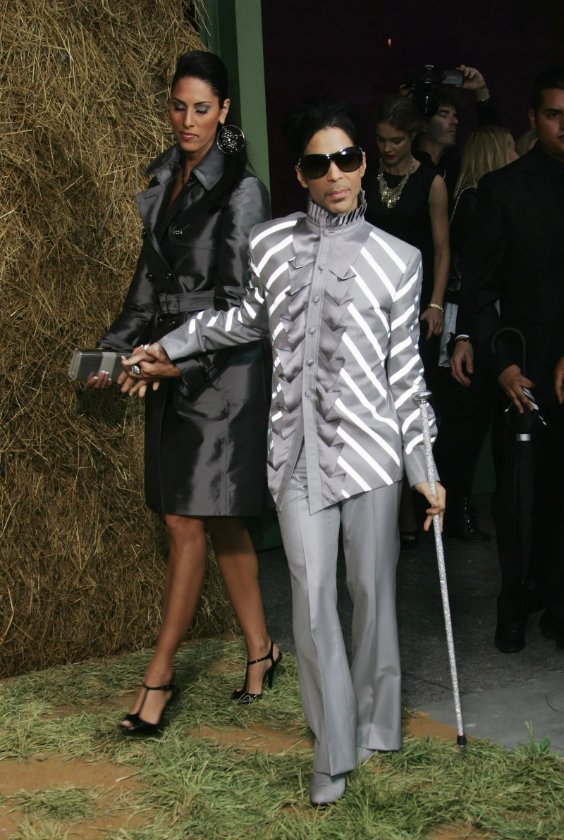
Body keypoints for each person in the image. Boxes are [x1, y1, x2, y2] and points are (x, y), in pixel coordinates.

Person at [122, 98, 445, 805]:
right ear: (300, 174)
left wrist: (423, 467)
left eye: (346, 159)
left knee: (372, 592)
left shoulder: (400, 260)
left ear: (362, 162)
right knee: (311, 596)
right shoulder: (268, 245)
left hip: (372, 456)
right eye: (318, 164)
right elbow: (243, 318)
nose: (335, 175)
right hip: (294, 456)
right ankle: (333, 750)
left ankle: (378, 720)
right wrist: (170, 345)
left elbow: (406, 376)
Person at [89, 50, 280, 734]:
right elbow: (146, 291)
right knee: (218, 518)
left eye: (202, 108)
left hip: (222, 373)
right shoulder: (166, 180)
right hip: (167, 364)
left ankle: (159, 676)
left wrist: (176, 363)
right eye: (178, 106)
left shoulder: (243, 191)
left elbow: (242, 305)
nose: (187, 120)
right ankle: (262, 650)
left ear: (224, 111)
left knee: (185, 520)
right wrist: (111, 353)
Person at [451, 66, 564, 652]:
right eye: (555, 114)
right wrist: (501, 365)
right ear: (533, 118)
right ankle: (515, 601)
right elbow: (480, 292)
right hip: (524, 368)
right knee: (519, 497)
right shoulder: (504, 190)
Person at [364, 94, 449, 547]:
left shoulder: (431, 182)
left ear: (413, 136)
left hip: (414, 307)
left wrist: (435, 304)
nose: (387, 148)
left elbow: (443, 250)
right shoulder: (365, 176)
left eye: (395, 140)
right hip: (370, 305)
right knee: (376, 409)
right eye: (381, 139)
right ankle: (393, 517)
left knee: (410, 407)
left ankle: (418, 503)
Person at [434, 125, 518, 540]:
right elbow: (473, 276)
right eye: (510, 147)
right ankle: (458, 511)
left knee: (470, 422)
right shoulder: (474, 201)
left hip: (470, 319)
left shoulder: (468, 197)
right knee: (466, 424)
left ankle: (461, 510)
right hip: (469, 321)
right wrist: (465, 334)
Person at [414, 64, 498, 200]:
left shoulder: (458, 170)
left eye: (455, 115)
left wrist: (481, 90)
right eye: (444, 114)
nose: (455, 121)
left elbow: (492, 138)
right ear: (423, 123)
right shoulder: (407, 164)